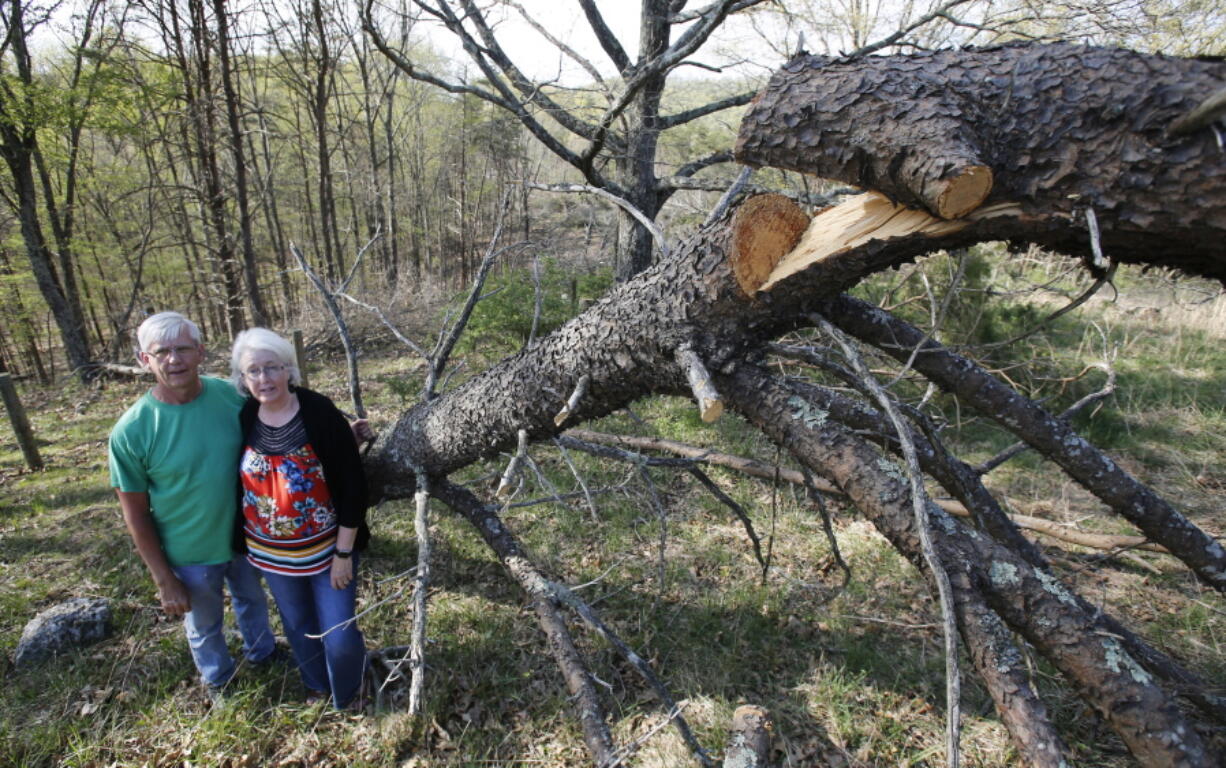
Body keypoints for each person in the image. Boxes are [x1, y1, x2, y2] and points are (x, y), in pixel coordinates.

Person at [109, 312, 278, 703]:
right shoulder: (132, 430)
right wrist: (164, 579)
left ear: (201, 351)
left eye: (183, 348)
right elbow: (134, 513)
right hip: (189, 552)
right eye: (161, 352)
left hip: (246, 537)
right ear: (143, 360)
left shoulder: (235, 397)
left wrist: (340, 436)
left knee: (253, 599)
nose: (174, 359)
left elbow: (283, 428)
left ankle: (264, 654)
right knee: (204, 623)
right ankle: (219, 681)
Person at [230, 327, 370, 710]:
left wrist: (344, 554)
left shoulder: (318, 410)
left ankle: (349, 693)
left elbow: (353, 485)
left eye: (271, 368)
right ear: (242, 379)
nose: (264, 379)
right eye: (253, 371)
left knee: (339, 633)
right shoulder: (245, 416)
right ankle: (316, 687)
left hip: (328, 552)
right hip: (270, 553)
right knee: (298, 627)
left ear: (288, 370)